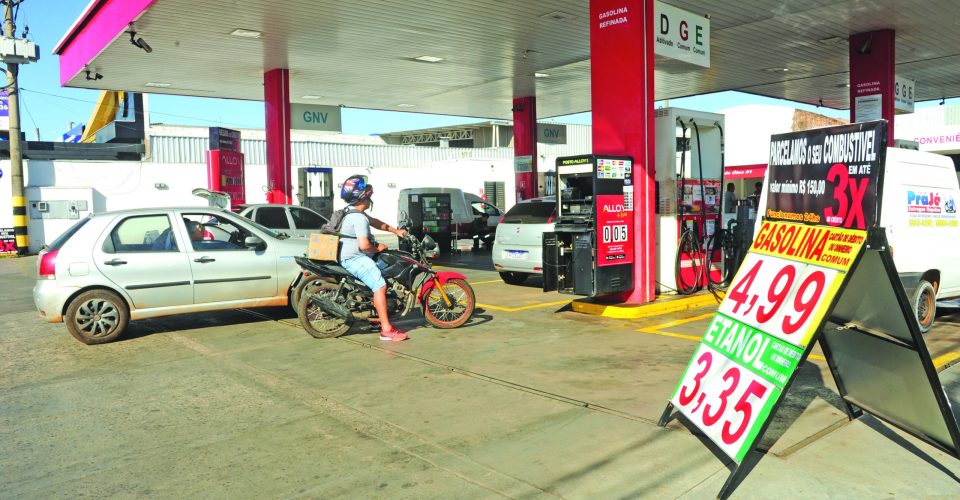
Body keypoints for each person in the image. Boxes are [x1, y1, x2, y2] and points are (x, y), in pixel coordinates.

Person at [337, 175, 410, 341]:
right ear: (365, 197)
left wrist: (395, 231)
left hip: (348, 255)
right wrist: (378, 247)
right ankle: (386, 330)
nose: (371, 199)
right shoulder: (359, 218)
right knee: (380, 286)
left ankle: (378, 314)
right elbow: (364, 245)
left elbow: (375, 222)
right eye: (369, 196)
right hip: (354, 258)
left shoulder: (352, 211)